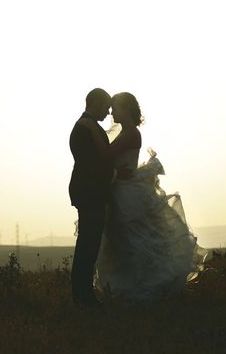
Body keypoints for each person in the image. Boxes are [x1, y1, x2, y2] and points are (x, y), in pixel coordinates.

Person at [77, 92, 206, 303]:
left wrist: (91, 129)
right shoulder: (127, 132)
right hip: (122, 188)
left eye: (116, 108)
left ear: (126, 110)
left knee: (133, 239)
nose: (112, 112)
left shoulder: (132, 134)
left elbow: (107, 156)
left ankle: (139, 288)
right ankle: (127, 287)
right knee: (125, 242)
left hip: (128, 194)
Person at [68, 88, 132, 307]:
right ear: (94, 102)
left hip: (91, 191)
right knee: (87, 245)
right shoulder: (84, 129)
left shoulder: (89, 127)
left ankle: (84, 295)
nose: (108, 112)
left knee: (90, 244)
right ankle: (82, 296)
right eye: (105, 106)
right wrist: (116, 174)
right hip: (89, 192)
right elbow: (91, 165)